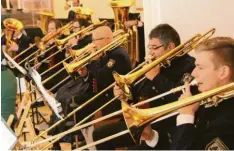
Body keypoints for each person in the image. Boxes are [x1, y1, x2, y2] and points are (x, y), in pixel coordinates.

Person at [92, 24, 195, 150]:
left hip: (167, 127)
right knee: (99, 134)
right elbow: (135, 94)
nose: (150, 53)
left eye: (154, 48)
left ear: (170, 47)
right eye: (149, 47)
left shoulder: (188, 66)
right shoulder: (157, 63)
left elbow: (180, 100)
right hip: (145, 121)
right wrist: (125, 94)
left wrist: (156, 78)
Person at [170, 37, 234, 149]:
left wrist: (186, 116)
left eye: (200, 67)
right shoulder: (214, 100)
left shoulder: (228, 121)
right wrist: (152, 138)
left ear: (223, 72)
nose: (194, 73)